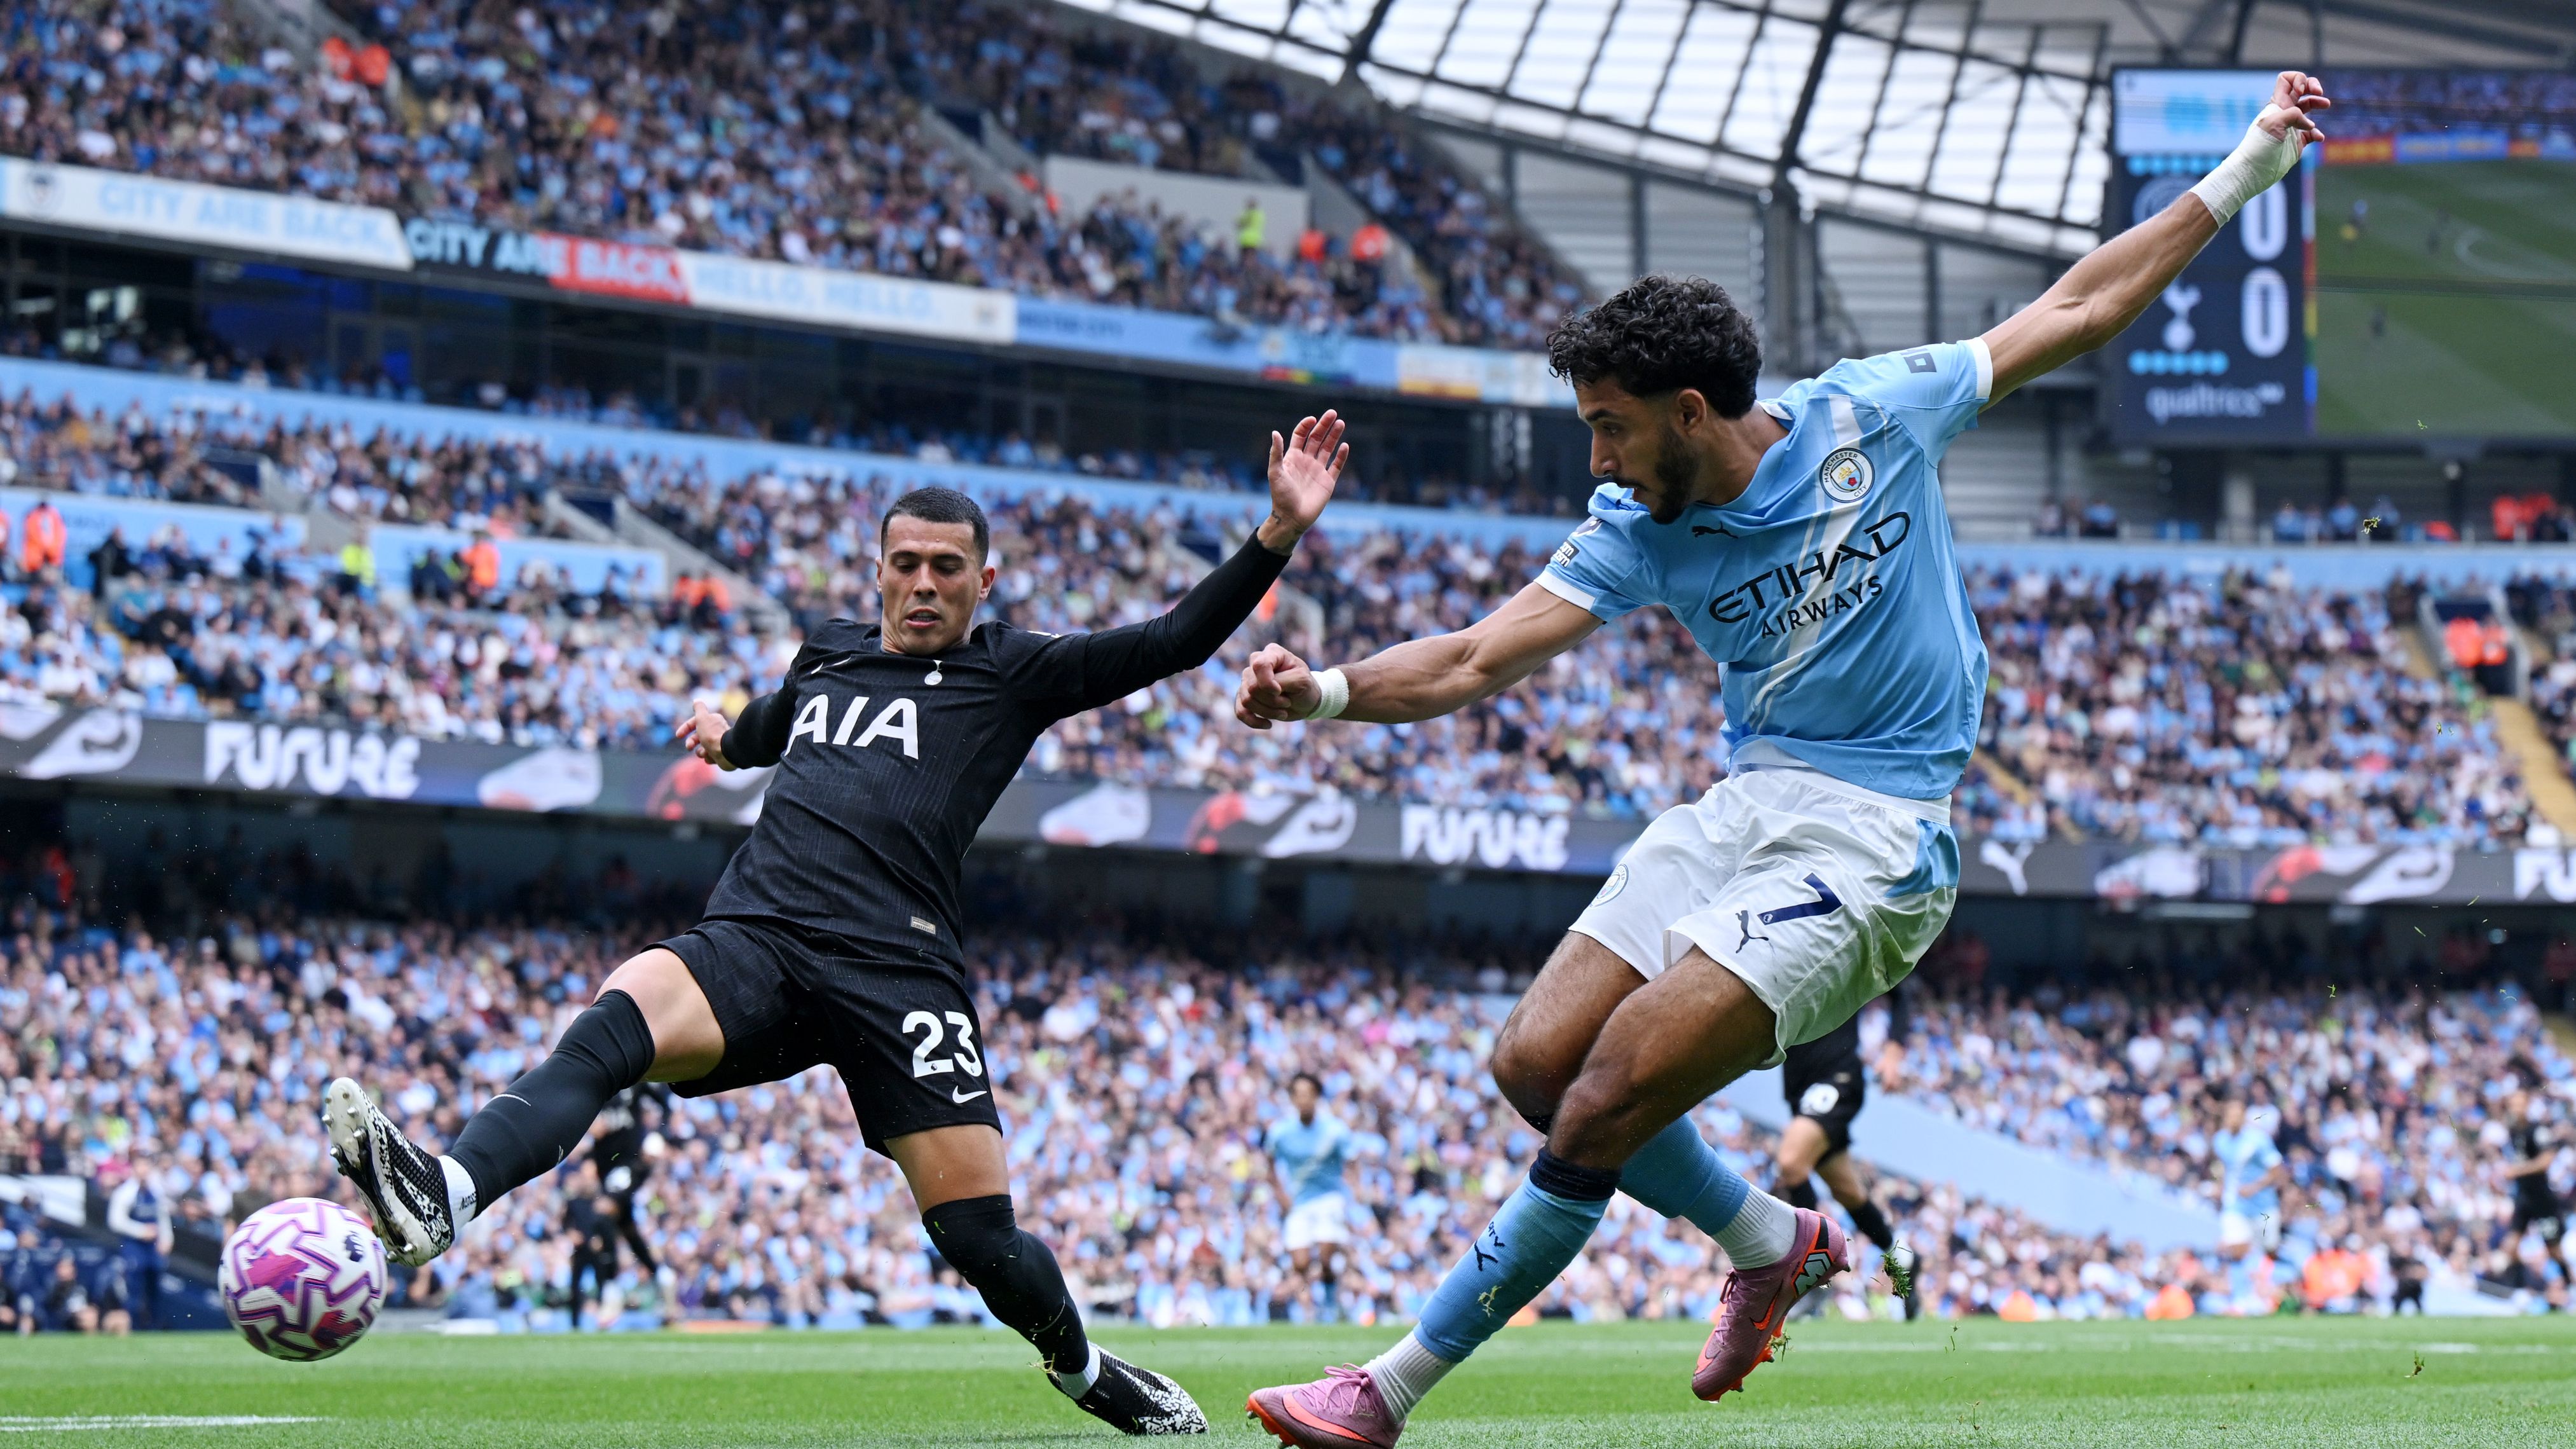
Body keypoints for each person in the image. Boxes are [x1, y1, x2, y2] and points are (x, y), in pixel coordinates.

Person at [1239, 69, 2329, 1446]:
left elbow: (2079, 303)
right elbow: (1476, 657)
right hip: (1746, 802)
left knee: (1612, 1083)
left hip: (1878, 834)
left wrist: (2241, 171)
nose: (1596, 451)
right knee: (1531, 1059)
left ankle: (1385, 1384)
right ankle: (1772, 1238)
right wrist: (1323, 691)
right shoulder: (1636, 524)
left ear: (1690, 409)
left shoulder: (1875, 413)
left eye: (1609, 423)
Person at [328, 411, 1349, 1438]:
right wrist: (726, 739)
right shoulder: (827, 658)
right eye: (903, 563)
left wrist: (1276, 532)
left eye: (946, 567)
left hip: (899, 973)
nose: (921, 583)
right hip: (759, 934)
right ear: (876, 572)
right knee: (618, 1015)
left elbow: (1172, 639)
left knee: (981, 1239)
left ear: (981, 584)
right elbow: (771, 723)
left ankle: (1084, 1369)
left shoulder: (1011, 672)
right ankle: (445, 1189)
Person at [1770, 1011, 1916, 1318]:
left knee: (1791, 1163)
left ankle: (1811, 1278)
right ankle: (1905, 1260)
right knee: (1847, 1191)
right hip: (1801, 1091)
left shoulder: (1837, 963)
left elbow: (1900, 992)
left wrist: (1893, 1050)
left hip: (1837, 1077)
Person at [1264, 1073, 1355, 1321]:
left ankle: (1328, 1302)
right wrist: (1281, 1196)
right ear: (1292, 1099)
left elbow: (1352, 1162)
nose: (1304, 1100)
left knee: (1325, 1257)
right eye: (1299, 1095)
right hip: (1300, 1201)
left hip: (1329, 1199)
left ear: (1316, 1097)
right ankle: (1312, 1306)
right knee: (1301, 1263)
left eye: (1309, 1095)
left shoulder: (1335, 1130)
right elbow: (1269, 1164)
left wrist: (1352, 1194)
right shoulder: (1281, 1132)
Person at [2502, 1089, 2569, 1301]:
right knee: (2510, 1248)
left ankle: (2568, 1286)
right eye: (2513, 1104)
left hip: (2542, 1200)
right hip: (2524, 1198)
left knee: (2554, 1252)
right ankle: (2526, 1289)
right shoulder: (2514, 1132)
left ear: (2528, 1106)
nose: (2516, 1108)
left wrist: (2517, 1171)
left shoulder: (2538, 1131)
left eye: (2520, 1104)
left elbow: (2547, 1160)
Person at [2212, 1095, 2289, 1260]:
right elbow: (2226, 1168)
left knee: (2268, 1252)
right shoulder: (2220, 1140)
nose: (2233, 1119)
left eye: (2237, 1114)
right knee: (2236, 1249)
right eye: (2230, 1114)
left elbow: (2277, 1169)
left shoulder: (2258, 1140)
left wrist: (2255, 1187)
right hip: (2236, 1204)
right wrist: (2221, 1188)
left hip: (2263, 1207)